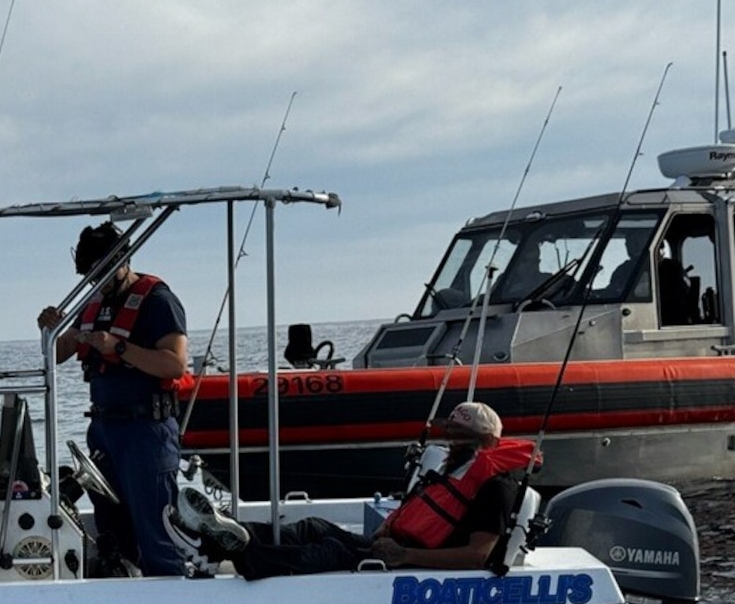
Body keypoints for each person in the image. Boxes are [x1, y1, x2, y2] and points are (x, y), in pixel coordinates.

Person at [166, 402, 535, 579]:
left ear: (487, 443)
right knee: (313, 527)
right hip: (398, 549)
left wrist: (403, 555)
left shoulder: (495, 487)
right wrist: (389, 536)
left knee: (329, 551)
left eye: (462, 437)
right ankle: (220, 535)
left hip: (418, 563)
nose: (452, 442)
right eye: (449, 433)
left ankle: (244, 552)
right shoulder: (449, 470)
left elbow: (476, 556)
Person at [37, 221, 189, 577]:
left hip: (146, 432)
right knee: (112, 530)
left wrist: (118, 347)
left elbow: (175, 364)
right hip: (104, 430)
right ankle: (122, 593)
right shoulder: (91, 303)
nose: (96, 282)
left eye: (101, 273)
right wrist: (51, 330)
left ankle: (170, 597)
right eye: (90, 275)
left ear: (123, 259)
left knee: (157, 529)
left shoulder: (158, 301)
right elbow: (57, 353)